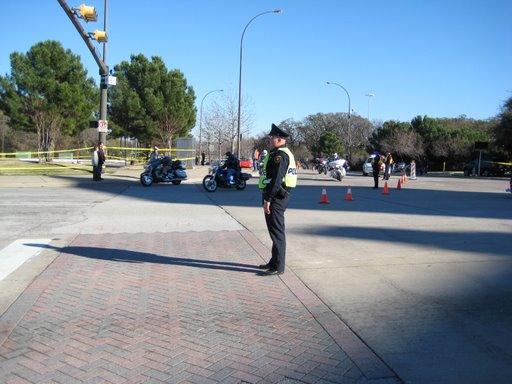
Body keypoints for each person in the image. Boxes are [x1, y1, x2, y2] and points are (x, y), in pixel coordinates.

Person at [258, 124, 297, 276]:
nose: (270, 139)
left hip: (276, 198)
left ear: (279, 139)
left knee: (277, 232)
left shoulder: (280, 156)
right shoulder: (277, 153)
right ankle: (273, 262)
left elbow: (276, 180)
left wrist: (268, 199)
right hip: (274, 196)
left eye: (272, 137)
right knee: (274, 231)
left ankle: (279, 266)